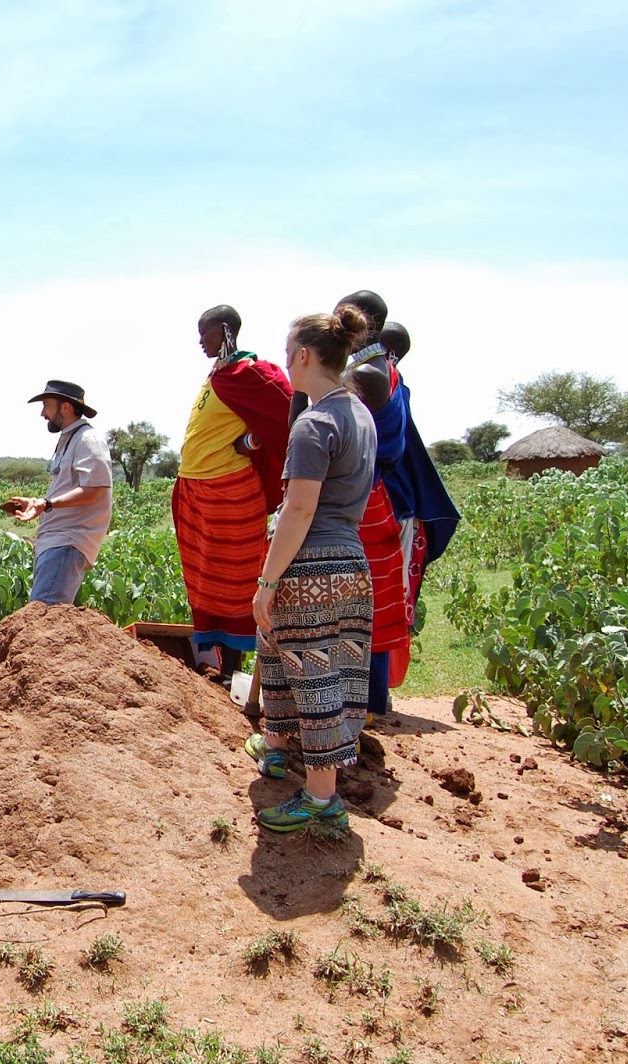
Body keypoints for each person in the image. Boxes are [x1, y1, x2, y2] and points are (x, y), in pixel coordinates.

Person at [245, 307, 377, 832]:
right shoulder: (358, 414)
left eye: (287, 352)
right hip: (350, 562)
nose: (284, 362)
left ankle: (322, 799)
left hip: (310, 566)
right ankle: (275, 747)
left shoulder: (314, 423)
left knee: (315, 673)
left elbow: (299, 509)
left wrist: (268, 582)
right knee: (281, 650)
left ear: (303, 355)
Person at [341, 306, 460, 722]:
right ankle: (369, 698)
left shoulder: (372, 376)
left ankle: (366, 699)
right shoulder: (388, 377)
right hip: (389, 498)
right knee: (374, 597)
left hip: (379, 500)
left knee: (368, 599)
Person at [172, 305, 294, 687]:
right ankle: (222, 668)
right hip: (198, 490)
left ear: (225, 330)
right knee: (207, 577)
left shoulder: (250, 372)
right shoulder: (220, 375)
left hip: (229, 491)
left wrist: (251, 442)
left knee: (235, 579)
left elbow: (291, 414)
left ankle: (233, 670)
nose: (200, 341)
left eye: (204, 332)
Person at [1, 381, 113, 605]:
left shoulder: (88, 439)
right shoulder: (71, 439)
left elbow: (93, 490)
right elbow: (69, 488)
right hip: (55, 541)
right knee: (46, 612)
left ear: (65, 407)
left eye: (46, 405)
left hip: (68, 540)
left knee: (44, 611)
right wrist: (37, 502)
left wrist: (47, 504)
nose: (43, 413)